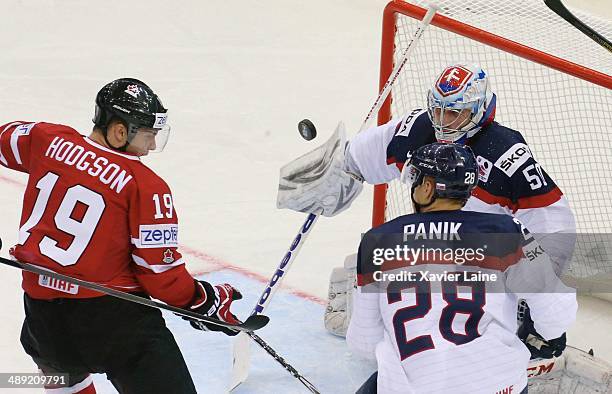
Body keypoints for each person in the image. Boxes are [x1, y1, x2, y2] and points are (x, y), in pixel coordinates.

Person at [276, 63, 576, 337]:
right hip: (436, 240)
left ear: (480, 110)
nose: (443, 122)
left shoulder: (506, 154)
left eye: (454, 112)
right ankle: (354, 282)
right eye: (438, 110)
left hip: (485, 255)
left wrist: (537, 285)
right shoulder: (417, 128)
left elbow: (553, 220)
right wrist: (332, 177)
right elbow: (359, 157)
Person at [0, 78, 242, 393]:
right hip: (114, 325)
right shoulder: (144, 185)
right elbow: (161, 275)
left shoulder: (46, 139)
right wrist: (201, 299)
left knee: (62, 376)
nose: (152, 146)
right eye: (148, 135)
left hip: (42, 318)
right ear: (119, 131)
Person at [345, 142, 577, 393]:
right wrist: (536, 334)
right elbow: (557, 312)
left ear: (427, 187)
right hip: (500, 386)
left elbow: (363, 343)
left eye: (415, 179)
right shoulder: (506, 231)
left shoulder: (377, 241)